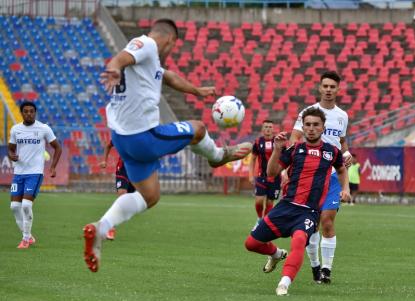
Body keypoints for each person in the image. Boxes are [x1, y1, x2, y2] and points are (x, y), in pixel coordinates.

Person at [83, 19, 252, 272]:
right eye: (173, 46)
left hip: (122, 138)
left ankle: (100, 228)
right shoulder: (147, 44)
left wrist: (196, 91)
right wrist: (115, 67)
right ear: (171, 40)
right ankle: (218, 155)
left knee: (150, 196)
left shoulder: (150, 62)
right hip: (142, 137)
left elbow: (167, 76)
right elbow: (123, 56)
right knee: (198, 128)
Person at [244, 107, 350, 296]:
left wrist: (345, 189)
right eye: (307, 124)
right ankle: (276, 254)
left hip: (309, 211)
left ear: (323, 127)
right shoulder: (295, 149)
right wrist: (277, 150)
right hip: (286, 206)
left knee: (300, 240)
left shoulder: (332, 152)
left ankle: (284, 284)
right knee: (251, 244)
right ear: (303, 126)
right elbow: (271, 173)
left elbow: (341, 170)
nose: (311, 128)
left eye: (315, 125)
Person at [290, 71, 352, 284]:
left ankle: (326, 270)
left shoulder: (342, 116)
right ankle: (315, 265)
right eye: (325, 86)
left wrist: (346, 153)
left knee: (327, 220)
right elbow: (295, 138)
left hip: (333, 175)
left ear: (338, 90)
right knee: (312, 224)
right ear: (319, 87)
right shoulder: (308, 112)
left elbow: (342, 142)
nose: (328, 90)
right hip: (310, 177)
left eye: (332, 86)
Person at [8, 101, 62, 249]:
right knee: (14, 207)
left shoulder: (43, 128)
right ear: (22, 113)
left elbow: (58, 147)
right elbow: (11, 149)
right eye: (26, 111)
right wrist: (12, 155)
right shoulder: (15, 129)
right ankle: (29, 236)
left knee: (26, 205)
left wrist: (52, 167)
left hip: (35, 173)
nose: (29, 114)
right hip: (18, 173)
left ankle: (25, 239)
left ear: (35, 112)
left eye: (32, 111)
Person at [99, 140, 136, 240]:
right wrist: (104, 160)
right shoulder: (121, 135)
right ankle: (110, 228)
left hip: (136, 172)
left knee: (128, 204)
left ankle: (107, 221)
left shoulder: (142, 135)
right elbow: (108, 145)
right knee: (122, 196)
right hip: (122, 170)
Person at [248, 120, 281, 223]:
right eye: (266, 127)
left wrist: (286, 174)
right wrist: (251, 175)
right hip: (261, 175)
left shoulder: (278, 142)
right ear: (262, 129)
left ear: (273, 129)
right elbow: (252, 159)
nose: (268, 129)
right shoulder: (258, 142)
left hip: (275, 177)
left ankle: (264, 223)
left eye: (270, 127)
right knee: (259, 201)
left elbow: (285, 158)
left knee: (270, 201)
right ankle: (259, 218)